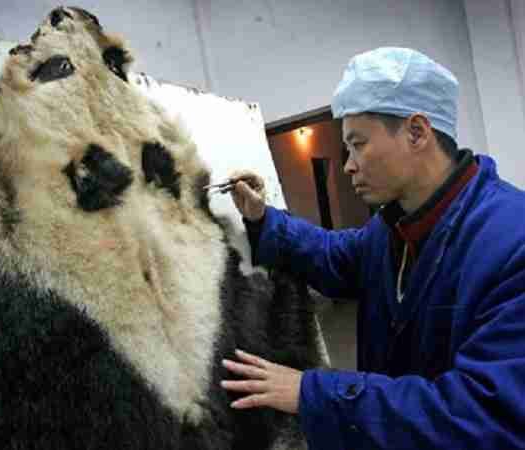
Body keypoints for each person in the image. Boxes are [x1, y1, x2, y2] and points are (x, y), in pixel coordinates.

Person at [220, 47, 525, 449]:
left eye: (358, 144)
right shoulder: (391, 230)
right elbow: (332, 255)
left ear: (417, 132)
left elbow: (484, 417)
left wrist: (312, 393)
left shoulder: (511, 241)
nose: (347, 165)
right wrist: (263, 218)